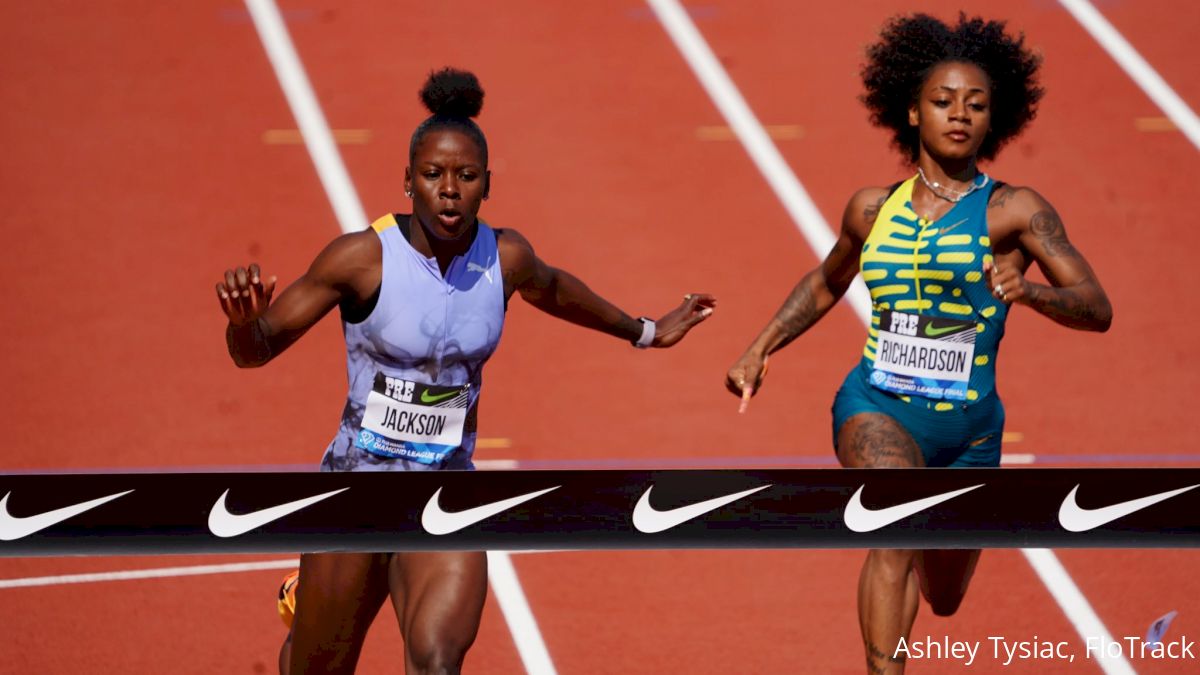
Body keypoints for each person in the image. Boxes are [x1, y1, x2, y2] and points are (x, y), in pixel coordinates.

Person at [217, 67, 716, 675]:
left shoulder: (505, 259)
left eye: (465, 176)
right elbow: (257, 350)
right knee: (317, 669)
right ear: (407, 181)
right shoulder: (362, 260)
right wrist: (245, 324)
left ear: (487, 185)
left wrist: (645, 331)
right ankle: (311, 602)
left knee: (437, 661)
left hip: (447, 488)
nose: (448, 190)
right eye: (432, 175)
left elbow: (555, 289)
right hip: (356, 487)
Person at [725, 14, 1111, 675]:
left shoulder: (1014, 211)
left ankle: (937, 561)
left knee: (947, 596)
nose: (959, 114)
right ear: (911, 111)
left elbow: (1097, 308)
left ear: (995, 119)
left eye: (976, 104)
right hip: (879, 404)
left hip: (970, 430)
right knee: (896, 520)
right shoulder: (872, 210)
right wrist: (761, 346)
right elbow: (826, 281)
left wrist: (1034, 292)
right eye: (942, 101)